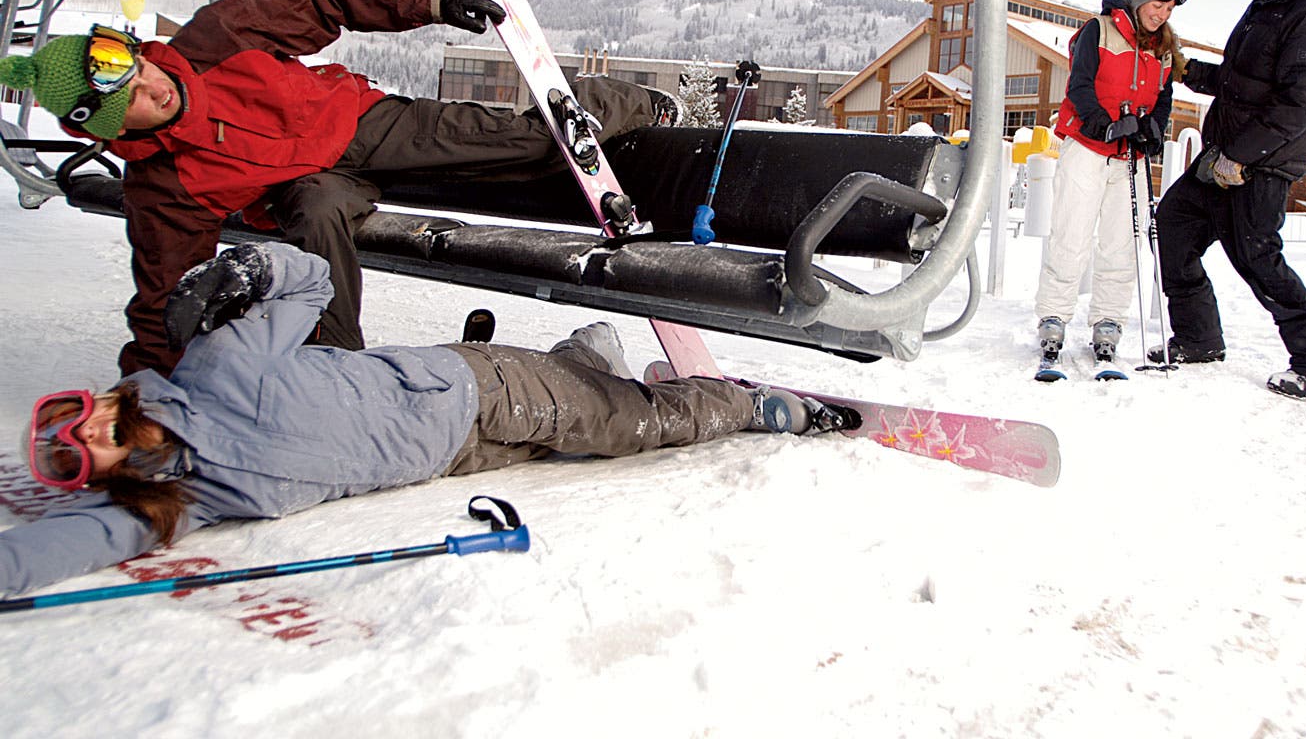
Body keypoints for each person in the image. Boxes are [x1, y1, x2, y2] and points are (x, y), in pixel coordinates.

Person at [1, 242, 846, 598]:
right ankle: (587, 355)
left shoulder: (216, 369)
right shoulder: (185, 495)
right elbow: (54, 547)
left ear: (108, 401)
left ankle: (752, 404)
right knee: (579, 429)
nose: (89, 444)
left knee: (632, 426)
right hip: (450, 456)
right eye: (76, 461)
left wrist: (253, 267)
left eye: (80, 422)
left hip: (470, 391)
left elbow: (309, 285)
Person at [0, 0, 681, 377]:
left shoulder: (213, 39)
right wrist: (149, 392)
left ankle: (640, 103)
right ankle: (336, 366)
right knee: (318, 211)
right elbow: (162, 296)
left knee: (529, 143)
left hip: (356, 118)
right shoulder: (166, 185)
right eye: (133, 102)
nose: (154, 88)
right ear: (111, 128)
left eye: (137, 68)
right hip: (303, 188)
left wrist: (430, 2)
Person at [1152, 0, 1306, 399]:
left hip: (1259, 164)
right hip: (1222, 158)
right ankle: (1199, 340)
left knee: (1259, 260)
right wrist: (1188, 71)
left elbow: (1301, 102)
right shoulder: (1263, 8)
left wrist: (1240, 156)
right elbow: (1242, 81)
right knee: (1173, 226)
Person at [1032, 0, 1187, 371]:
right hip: (1087, 145)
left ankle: (1108, 322)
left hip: (1130, 155)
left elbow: (1164, 100)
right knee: (1072, 233)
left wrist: (1152, 129)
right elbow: (1079, 85)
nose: (1163, 12)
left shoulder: (1165, 48)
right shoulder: (1098, 30)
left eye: (1170, 6)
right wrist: (1104, 124)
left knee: (1122, 242)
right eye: (1157, 3)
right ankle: (1054, 318)